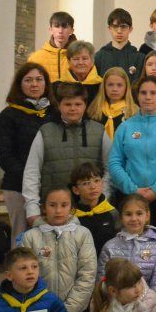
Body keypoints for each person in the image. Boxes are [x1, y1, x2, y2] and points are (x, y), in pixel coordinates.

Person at [22, 81, 110, 226]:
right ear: (59, 105)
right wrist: (32, 208)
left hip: (92, 209)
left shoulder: (99, 131)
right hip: (56, 210)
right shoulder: (45, 132)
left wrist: (102, 198)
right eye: (68, 104)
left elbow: (109, 168)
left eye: (78, 104)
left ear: (85, 105)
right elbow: (32, 172)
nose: (73, 109)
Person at [20, 187, 98, 312]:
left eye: (64, 205)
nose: (58, 210)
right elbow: (24, 274)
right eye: (52, 205)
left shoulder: (83, 234)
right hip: (39, 310)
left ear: (72, 208)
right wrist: (40, 306)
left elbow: (87, 274)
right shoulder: (30, 237)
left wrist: (69, 310)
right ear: (43, 207)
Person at [109, 76, 156, 227]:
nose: (148, 97)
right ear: (137, 96)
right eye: (143, 93)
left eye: (153, 93)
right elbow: (114, 162)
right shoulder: (125, 127)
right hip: (129, 198)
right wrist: (132, 189)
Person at [0, 62, 52, 238]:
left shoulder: (54, 113)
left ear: (46, 83)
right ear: (19, 84)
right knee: (22, 234)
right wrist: (31, 179)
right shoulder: (9, 115)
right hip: (18, 185)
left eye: (38, 79)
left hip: (49, 185)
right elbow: (5, 157)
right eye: (28, 80)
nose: (34, 84)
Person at [98, 193, 156, 298]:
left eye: (139, 213)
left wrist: (148, 306)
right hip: (115, 307)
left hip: (147, 307)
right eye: (128, 214)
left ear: (147, 216)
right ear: (121, 217)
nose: (134, 218)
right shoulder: (109, 247)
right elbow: (102, 281)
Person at [69, 161, 119, 256]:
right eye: (86, 183)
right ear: (75, 190)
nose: (93, 187)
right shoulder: (71, 216)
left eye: (96, 181)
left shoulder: (112, 212)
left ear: (102, 184)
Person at [88, 67, 137, 141]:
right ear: (104, 86)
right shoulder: (94, 109)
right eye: (110, 85)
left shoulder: (134, 111)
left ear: (126, 87)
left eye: (119, 85)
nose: (115, 89)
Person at [94, 8, 143, 80]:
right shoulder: (99, 57)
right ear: (109, 28)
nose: (119, 31)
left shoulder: (139, 58)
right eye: (115, 26)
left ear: (130, 29)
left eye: (123, 27)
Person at [28, 10, 75, 83]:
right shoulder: (36, 58)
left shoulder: (79, 56)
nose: (60, 31)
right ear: (50, 30)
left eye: (65, 27)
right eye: (57, 26)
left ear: (72, 30)